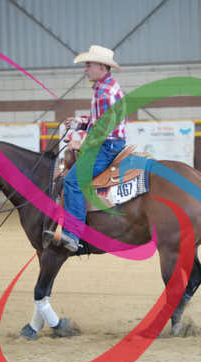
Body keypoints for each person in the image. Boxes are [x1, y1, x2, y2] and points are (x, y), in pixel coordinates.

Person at [54, 45, 127, 252]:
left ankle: (73, 235)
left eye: (89, 65)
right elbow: (99, 121)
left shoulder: (104, 92)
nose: (85, 69)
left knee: (72, 181)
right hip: (110, 143)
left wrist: (81, 144)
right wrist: (78, 122)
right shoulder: (105, 87)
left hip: (106, 146)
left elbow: (102, 129)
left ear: (102, 67)